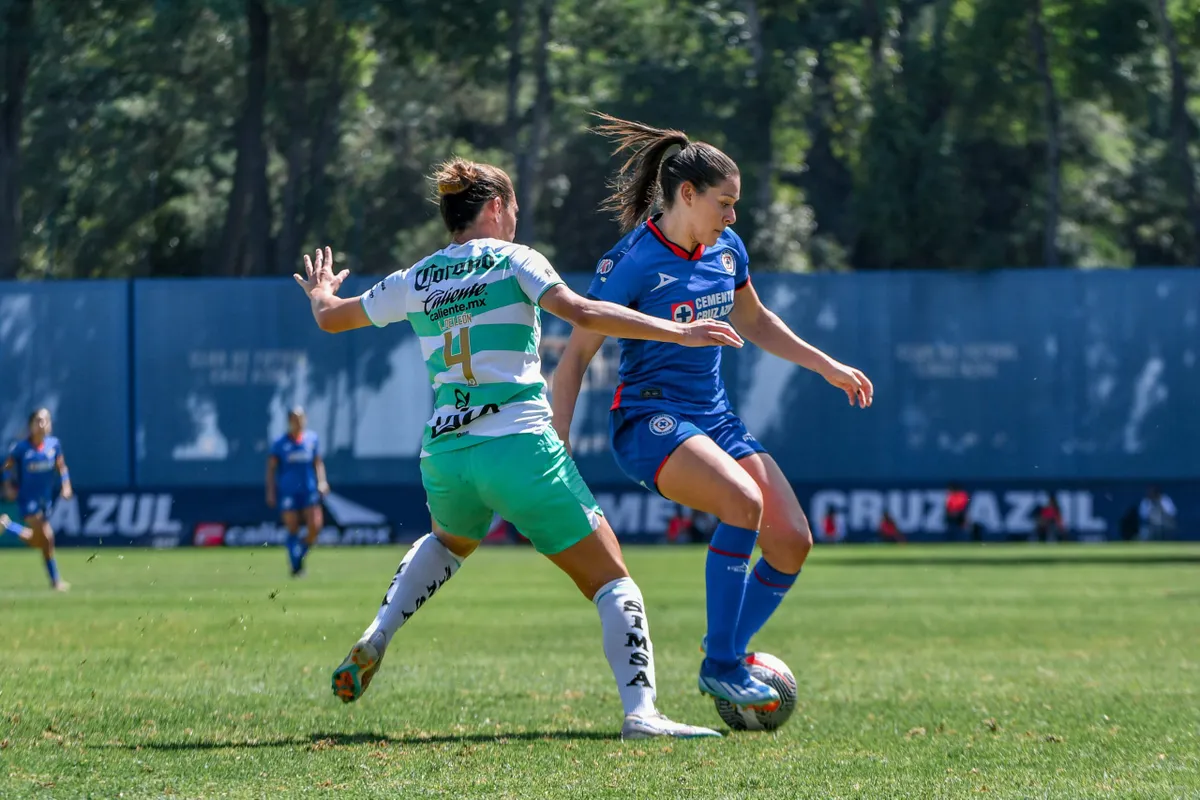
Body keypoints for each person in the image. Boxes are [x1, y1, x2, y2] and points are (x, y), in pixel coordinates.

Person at [295, 157, 746, 739]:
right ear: (493, 209)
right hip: (520, 444)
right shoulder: (517, 259)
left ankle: (379, 632)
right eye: (511, 207)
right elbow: (582, 312)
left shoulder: (416, 277)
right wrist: (679, 330)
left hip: (447, 453)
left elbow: (332, 319)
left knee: (448, 541)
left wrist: (322, 292)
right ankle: (642, 714)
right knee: (615, 583)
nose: (515, 219)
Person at [551, 114, 874, 708]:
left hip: (716, 418)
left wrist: (825, 365)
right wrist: (559, 445)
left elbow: (755, 321)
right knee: (742, 503)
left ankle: (723, 657)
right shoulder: (632, 261)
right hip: (649, 420)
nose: (733, 217)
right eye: (725, 203)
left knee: (792, 542)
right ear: (687, 194)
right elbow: (573, 360)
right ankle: (724, 665)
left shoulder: (726, 248)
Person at [0, 408, 73, 591]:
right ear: (31, 425)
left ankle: (8, 527)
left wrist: (66, 485)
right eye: (38, 421)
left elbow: (62, 467)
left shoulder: (54, 445)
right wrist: (8, 485)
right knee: (47, 537)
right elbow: (7, 467)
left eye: (46, 420)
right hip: (27, 500)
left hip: (45, 501)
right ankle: (56, 581)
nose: (42, 424)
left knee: (38, 541)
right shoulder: (22, 448)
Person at [266, 406, 328, 576]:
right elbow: (271, 468)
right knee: (292, 527)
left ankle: (298, 552)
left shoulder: (312, 440)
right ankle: (295, 566)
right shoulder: (280, 443)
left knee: (315, 526)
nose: (298, 422)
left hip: (308, 490)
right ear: (289, 421)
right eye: (294, 418)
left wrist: (322, 481)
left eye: (300, 418)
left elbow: (317, 463)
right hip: (288, 491)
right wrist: (271, 490)